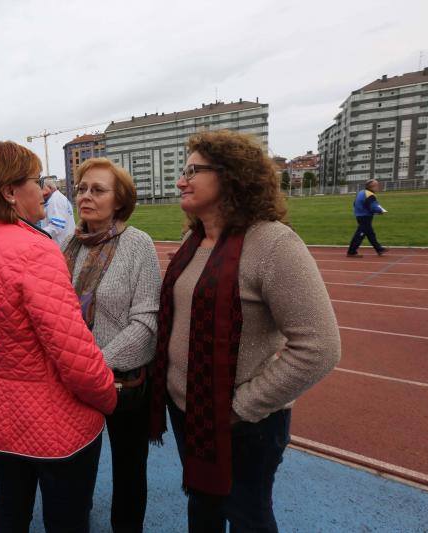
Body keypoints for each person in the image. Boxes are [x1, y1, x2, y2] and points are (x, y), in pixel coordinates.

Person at [148, 130, 342, 533]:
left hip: (244, 424)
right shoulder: (193, 240)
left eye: (192, 171)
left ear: (230, 175)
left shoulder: (273, 244)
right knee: (202, 507)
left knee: (248, 517)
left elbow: (320, 346)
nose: (181, 180)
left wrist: (242, 406)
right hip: (189, 414)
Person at [0, 140, 116, 533]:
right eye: (35, 180)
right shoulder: (33, 250)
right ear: (9, 191)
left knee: (11, 506)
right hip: (54, 420)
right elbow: (73, 351)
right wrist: (107, 395)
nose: (43, 189)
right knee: (67, 517)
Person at [61, 158, 161, 533]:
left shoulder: (138, 245)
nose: (86, 196)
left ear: (120, 201)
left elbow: (146, 320)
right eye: (82, 188)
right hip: (73, 380)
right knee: (75, 462)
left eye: (97, 190)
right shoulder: (68, 244)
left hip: (121, 380)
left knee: (129, 468)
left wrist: (94, 363)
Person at [346, 179, 388, 258]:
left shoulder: (361, 192)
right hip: (365, 216)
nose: (378, 187)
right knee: (360, 235)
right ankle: (351, 252)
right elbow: (373, 206)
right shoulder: (370, 195)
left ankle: (379, 249)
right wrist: (380, 211)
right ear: (372, 187)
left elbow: (354, 203)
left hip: (359, 215)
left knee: (370, 233)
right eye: (377, 186)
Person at [39, 177, 75, 244]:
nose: (40, 192)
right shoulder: (58, 197)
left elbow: (56, 226)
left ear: (50, 187)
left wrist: (37, 234)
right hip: (66, 242)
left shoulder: (55, 199)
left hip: (61, 245)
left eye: (42, 188)